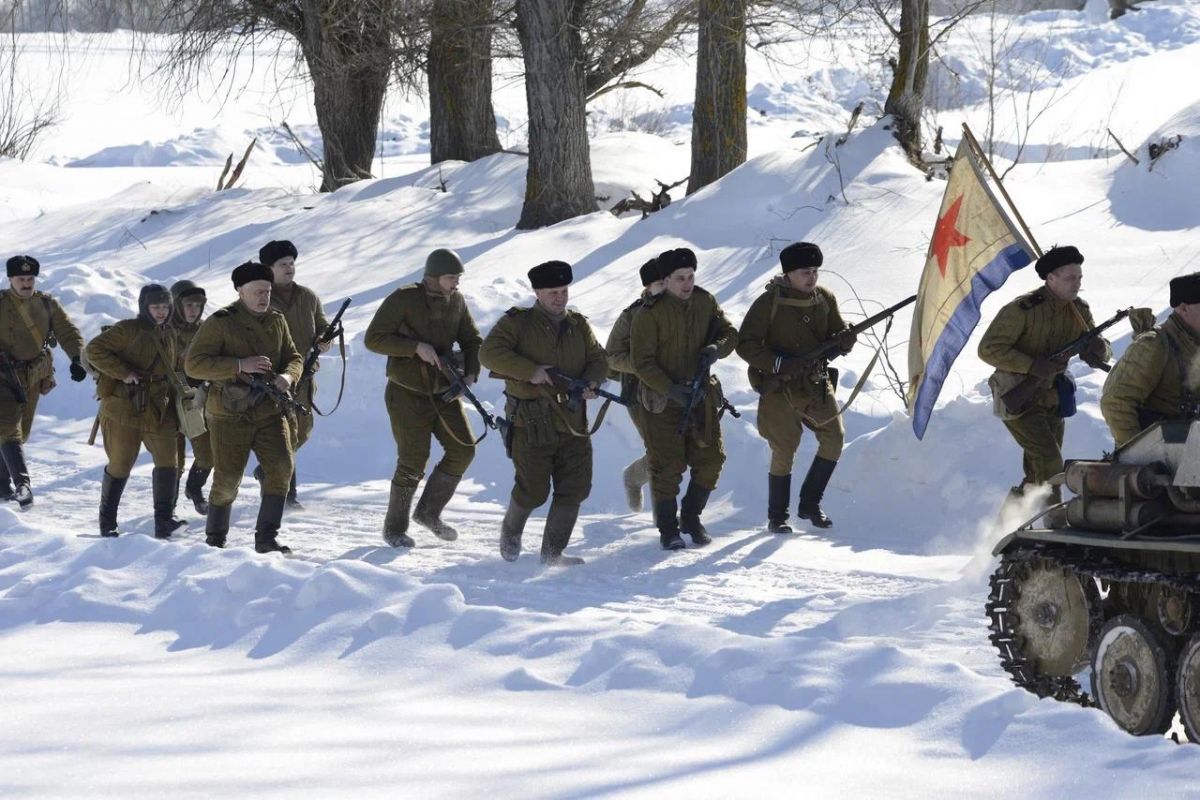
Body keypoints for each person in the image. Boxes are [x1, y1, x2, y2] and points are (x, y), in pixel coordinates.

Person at [479, 260, 609, 566]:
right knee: (534, 489)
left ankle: (553, 553)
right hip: (532, 421)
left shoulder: (578, 324)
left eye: (563, 290)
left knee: (575, 487)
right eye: (552, 292)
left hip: (572, 419)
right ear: (537, 292)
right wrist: (530, 371)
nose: (559, 297)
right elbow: (488, 354)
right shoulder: (517, 323)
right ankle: (510, 531)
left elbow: (599, 358)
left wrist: (592, 380)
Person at [364, 248, 482, 548]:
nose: (456, 283)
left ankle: (429, 512)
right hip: (407, 393)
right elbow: (374, 339)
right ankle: (395, 528)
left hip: (444, 390)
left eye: (457, 278)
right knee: (413, 460)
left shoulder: (456, 300)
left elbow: (471, 339)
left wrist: (470, 373)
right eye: (451, 277)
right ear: (432, 276)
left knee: (463, 449)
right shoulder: (404, 298)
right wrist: (414, 347)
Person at [185, 261, 303, 554]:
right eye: (257, 291)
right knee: (227, 480)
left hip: (269, 410)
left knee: (281, 469)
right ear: (240, 291)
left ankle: (266, 539)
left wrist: (288, 376)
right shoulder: (221, 322)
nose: (264, 297)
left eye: (267, 291)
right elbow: (194, 364)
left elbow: (294, 356)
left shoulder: (277, 319)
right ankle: (214, 541)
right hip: (228, 414)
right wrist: (238, 365)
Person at [736, 242, 855, 531]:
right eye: (805, 272)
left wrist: (845, 340)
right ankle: (778, 516)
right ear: (788, 274)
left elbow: (834, 334)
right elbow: (746, 345)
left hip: (815, 383)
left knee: (834, 437)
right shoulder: (768, 303)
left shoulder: (824, 298)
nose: (812, 277)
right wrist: (777, 364)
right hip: (781, 388)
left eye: (815, 271)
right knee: (784, 448)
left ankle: (810, 503)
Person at [979, 245, 1111, 503]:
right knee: (1050, 460)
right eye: (1070, 278)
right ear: (1051, 279)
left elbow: (1097, 348)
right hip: (1018, 396)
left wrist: (1097, 349)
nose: (1077, 284)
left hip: (1051, 398)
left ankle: (1007, 527)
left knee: (1038, 472)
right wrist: (1031, 365)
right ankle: (1055, 522)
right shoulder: (1023, 310)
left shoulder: (1078, 309)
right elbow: (988, 349)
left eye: (1079, 277)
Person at [630, 247, 738, 550]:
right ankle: (668, 529)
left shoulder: (705, 301)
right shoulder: (649, 313)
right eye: (680, 278)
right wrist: (669, 388)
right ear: (666, 280)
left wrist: (717, 348)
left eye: (691, 276)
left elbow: (729, 332)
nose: (687, 283)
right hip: (661, 401)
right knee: (667, 466)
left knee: (711, 459)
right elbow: (642, 362)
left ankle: (691, 516)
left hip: (701, 395)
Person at [85, 284, 184, 538]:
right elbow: (93, 350)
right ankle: (107, 521)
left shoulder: (170, 332)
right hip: (124, 407)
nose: (161, 312)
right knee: (121, 463)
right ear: (144, 308)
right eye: (155, 307)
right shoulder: (128, 329)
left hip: (159, 406)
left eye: (165, 307)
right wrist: (123, 373)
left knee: (168, 460)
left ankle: (164, 520)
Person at [0, 255, 86, 509]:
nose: (26, 283)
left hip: (34, 376)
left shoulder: (47, 304)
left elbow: (68, 332)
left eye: (30, 279)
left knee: (20, 433)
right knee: (7, 426)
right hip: (2, 376)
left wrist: (77, 359)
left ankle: (2, 486)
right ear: (11, 279)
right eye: (21, 279)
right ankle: (22, 485)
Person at [259, 239, 330, 507]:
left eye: (291, 264)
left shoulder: (308, 296)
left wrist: (324, 339)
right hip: (275, 379)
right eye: (282, 264)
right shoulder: (260, 297)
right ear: (269, 268)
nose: (289, 269)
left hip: (305, 376)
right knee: (284, 433)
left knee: (302, 431)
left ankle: (270, 471)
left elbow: (322, 324)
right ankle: (288, 494)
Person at [1101, 273, 1200, 447]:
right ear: (1184, 308)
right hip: (1161, 456)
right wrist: (1139, 456)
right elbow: (1116, 402)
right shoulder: (1154, 344)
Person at [605, 257, 665, 512]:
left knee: (674, 451)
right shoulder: (632, 315)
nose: (666, 287)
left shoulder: (686, 309)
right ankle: (664, 520)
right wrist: (642, 366)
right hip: (641, 394)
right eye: (660, 282)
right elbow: (611, 357)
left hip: (676, 391)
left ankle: (635, 476)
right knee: (661, 452)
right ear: (648, 286)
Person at [170, 280, 213, 515]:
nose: (194, 309)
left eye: (198, 305)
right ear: (176, 304)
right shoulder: (163, 330)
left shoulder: (208, 329)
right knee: (172, 461)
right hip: (166, 402)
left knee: (208, 454)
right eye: (188, 304)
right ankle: (168, 510)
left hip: (196, 401)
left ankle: (194, 489)